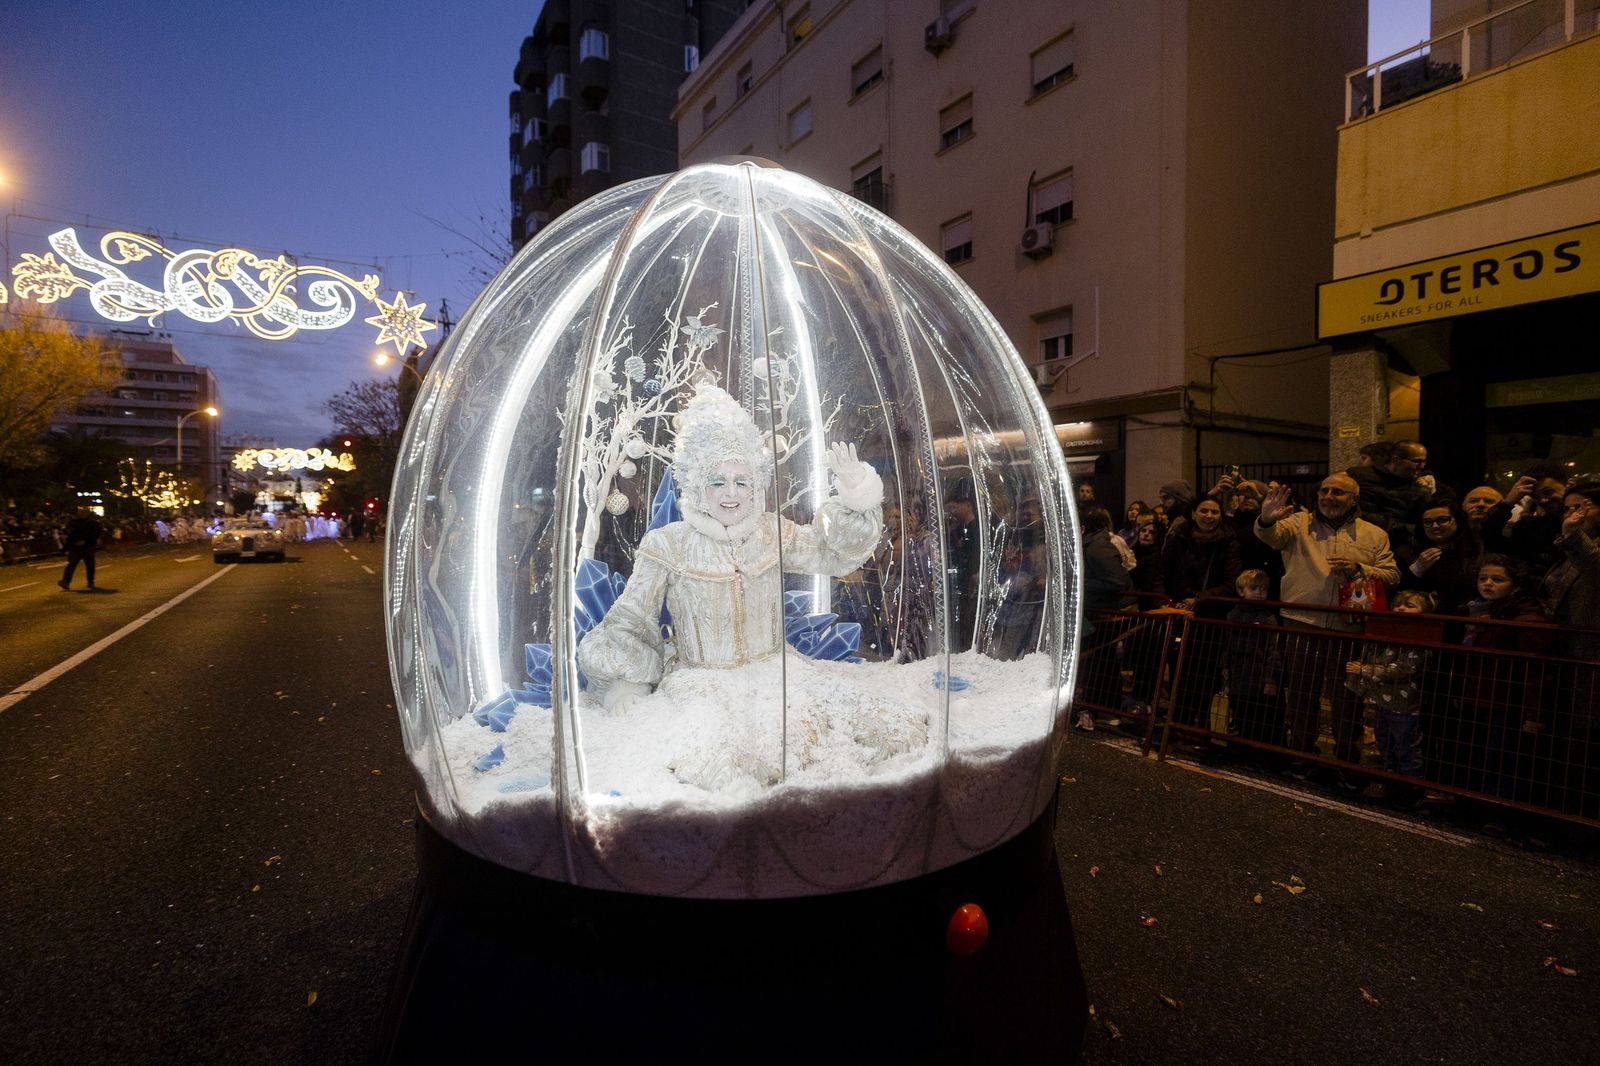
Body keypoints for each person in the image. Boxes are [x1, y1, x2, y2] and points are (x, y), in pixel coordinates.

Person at [579, 386, 883, 709]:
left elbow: (832, 554)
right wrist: (626, 687)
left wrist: (856, 494)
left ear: (755, 486)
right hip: (700, 695)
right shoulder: (668, 545)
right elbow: (631, 619)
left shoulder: (772, 533)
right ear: (699, 486)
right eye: (718, 481)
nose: (731, 493)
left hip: (778, 684)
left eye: (741, 481)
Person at [1254, 474, 1399, 778]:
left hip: (1348, 626)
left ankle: (1347, 761)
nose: (1328, 497)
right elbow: (1272, 536)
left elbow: (1391, 575)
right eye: (1324, 490)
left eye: (1338, 492)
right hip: (1302, 621)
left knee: (1346, 696)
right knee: (1302, 692)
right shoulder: (1298, 523)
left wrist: (1359, 568)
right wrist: (1265, 519)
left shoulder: (1373, 534)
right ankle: (1302, 754)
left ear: (1354, 499)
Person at [1344, 590, 1435, 804]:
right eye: (1398, 605)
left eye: (1410, 605)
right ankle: (1391, 783)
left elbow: (1404, 669)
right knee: (1386, 742)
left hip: (1405, 706)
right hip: (1384, 703)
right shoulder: (1390, 635)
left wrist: (1365, 669)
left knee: (1406, 747)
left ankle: (1410, 789)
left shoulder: (1418, 640)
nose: (1401, 608)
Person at [1346, 439, 1434, 560]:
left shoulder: (1419, 490)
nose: (1422, 466)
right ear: (1397, 460)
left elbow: (1420, 524)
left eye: (1424, 461)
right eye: (1416, 461)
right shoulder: (1358, 475)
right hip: (1355, 542)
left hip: (1391, 548)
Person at [1225, 569, 1284, 747]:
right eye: (1254, 588)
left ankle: (1255, 748)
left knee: (1258, 716)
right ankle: (1239, 745)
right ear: (1241, 591)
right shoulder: (1233, 615)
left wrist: (1270, 678)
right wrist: (1225, 667)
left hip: (1257, 676)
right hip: (1239, 674)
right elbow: (1228, 644)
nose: (1259, 592)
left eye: (1263, 589)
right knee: (1240, 712)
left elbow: (1273, 650)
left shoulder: (1268, 618)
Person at [1401, 498, 1482, 616]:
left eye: (1443, 520)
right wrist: (1417, 569)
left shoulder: (1475, 548)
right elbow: (1402, 592)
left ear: (1457, 521)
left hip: (1464, 615)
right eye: (1428, 522)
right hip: (1425, 617)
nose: (1435, 526)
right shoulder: (1409, 552)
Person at [1481, 465, 1567, 573]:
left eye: (1547, 492)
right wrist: (1507, 503)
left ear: (1568, 485)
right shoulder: (1530, 529)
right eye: (1535, 497)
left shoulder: (1586, 521)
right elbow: (1491, 540)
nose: (1542, 500)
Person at [58, 508, 102, 591]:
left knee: (90, 565)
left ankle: (90, 581)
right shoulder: (73, 522)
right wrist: (65, 548)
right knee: (71, 564)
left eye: (84, 512)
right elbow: (70, 535)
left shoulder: (93, 523)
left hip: (87, 547)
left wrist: (86, 542)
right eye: (80, 512)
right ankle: (66, 581)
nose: (82, 514)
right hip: (75, 547)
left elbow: (95, 535)